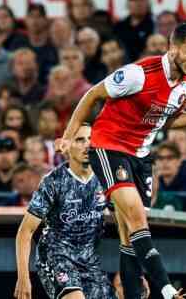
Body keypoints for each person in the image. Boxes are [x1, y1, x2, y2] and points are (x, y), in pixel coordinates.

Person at [56, 22, 186, 299]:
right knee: (137, 219)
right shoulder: (138, 74)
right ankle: (168, 289)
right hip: (109, 147)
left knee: (129, 238)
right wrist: (68, 135)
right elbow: (93, 94)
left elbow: (166, 122)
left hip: (141, 155)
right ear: (172, 48)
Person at [15, 124, 125, 299]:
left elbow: (124, 225)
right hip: (56, 256)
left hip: (89, 260)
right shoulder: (54, 181)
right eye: (80, 140)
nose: (87, 145)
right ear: (66, 146)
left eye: (91, 139)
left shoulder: (105, 178)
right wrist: (23, 277)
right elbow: (25, 232)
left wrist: (136, 271)